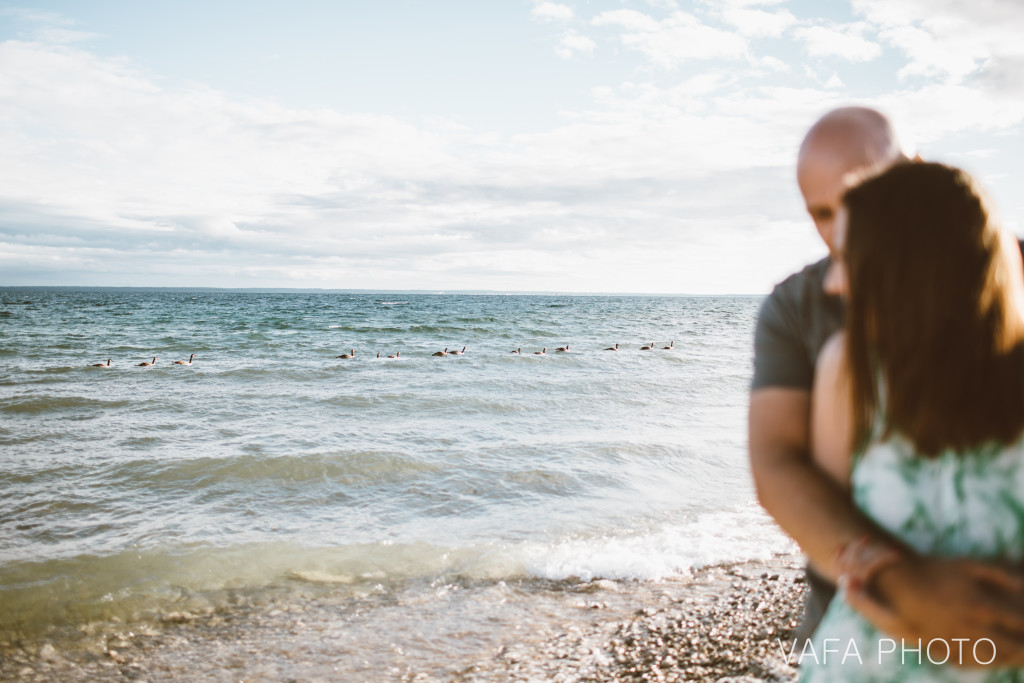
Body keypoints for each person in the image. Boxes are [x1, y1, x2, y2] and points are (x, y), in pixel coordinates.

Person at [748, 107, 1024, 658]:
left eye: (858, 203)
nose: (841, 240)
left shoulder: (1010, 276)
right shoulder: (801, 311)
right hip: (860, 622)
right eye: (821, 215)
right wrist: (901, 585)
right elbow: (777, 461)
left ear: (915, 174)